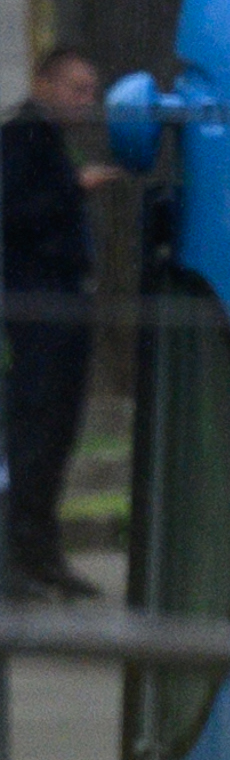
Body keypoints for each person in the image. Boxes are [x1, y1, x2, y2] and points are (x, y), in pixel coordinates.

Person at [2, 47, 117, 603]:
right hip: (35, 310)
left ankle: (44, 552)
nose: (84, 100)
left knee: (57, 433)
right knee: (33, 431)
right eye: (75, 87)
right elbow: (15, 213)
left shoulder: (49, 141)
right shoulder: (21, 136)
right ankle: (21, 554)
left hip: (64, 305)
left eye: (91, 91)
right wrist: (76, 188)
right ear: (43, 82)